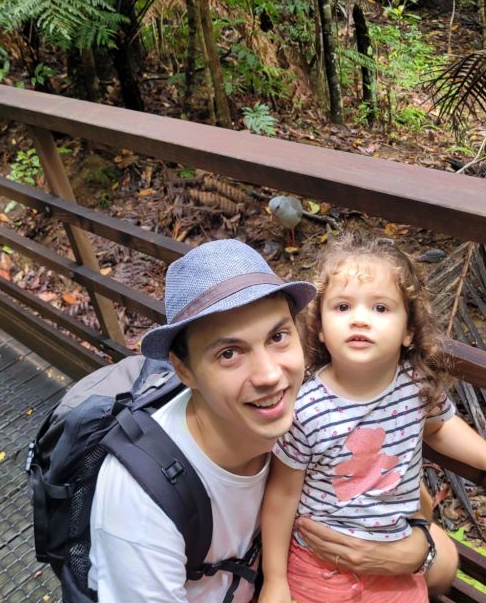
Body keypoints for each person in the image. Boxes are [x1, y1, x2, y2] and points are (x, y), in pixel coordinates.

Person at [260, 234, 486, 603]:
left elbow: (440, 428)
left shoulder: (413, 386)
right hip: (319, 567)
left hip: (395, 563)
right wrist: (275, 580)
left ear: (408, 330)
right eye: (342, 307)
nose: (360, 319)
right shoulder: (306, 407)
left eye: (380, 308)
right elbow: (282, 495)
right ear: (320, 328)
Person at [88, 238, 317, 602]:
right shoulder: (140, 504)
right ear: (184, 370)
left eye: (278, 336)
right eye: (229, 354)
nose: (271, 375)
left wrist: (411, 550)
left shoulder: (307, 413)